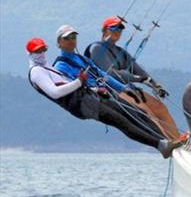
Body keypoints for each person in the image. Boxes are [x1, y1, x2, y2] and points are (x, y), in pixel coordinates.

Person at [26, 37, 182, 158]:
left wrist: (94, 87)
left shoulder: (48, 68)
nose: (40, 54)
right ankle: (160, 145)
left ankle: (166, 140)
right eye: (36, 51)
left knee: (135, 112)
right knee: (122, 121)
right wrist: (79, 81)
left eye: (42, 50)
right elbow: (55, 92)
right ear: (30, 54)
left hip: (91, 96)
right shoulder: (37, 72)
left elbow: (81, 81)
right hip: (82, 105)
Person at [85, 16, 180, 139]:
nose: (117, 31)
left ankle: (177, 139)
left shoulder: (120, 52)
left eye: (120, 29)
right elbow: (111, 74)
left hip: (127, 88)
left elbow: (138, 70)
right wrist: (139, 79)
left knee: (159, 107)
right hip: (111, 90)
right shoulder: (97, 48)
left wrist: (156, 85)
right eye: (113, 28)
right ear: (104, 30)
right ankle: (167, 141)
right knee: (147, 112)